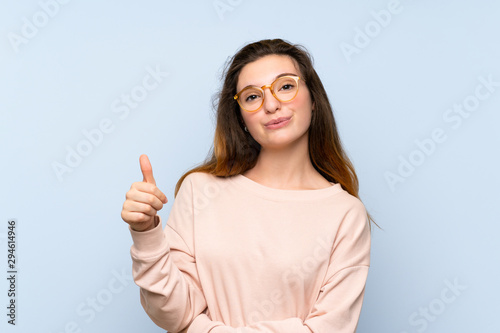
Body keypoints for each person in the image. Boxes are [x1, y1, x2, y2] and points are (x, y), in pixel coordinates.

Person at [121, 38, 376, 333]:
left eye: (285, 86)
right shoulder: (199, 190)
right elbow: (175, 314)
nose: (271, 105)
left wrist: (203, 328)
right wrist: (145, 233)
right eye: (252, 97)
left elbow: (329, 329)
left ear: (314, 98)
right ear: (240, 116)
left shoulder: (346, 214)